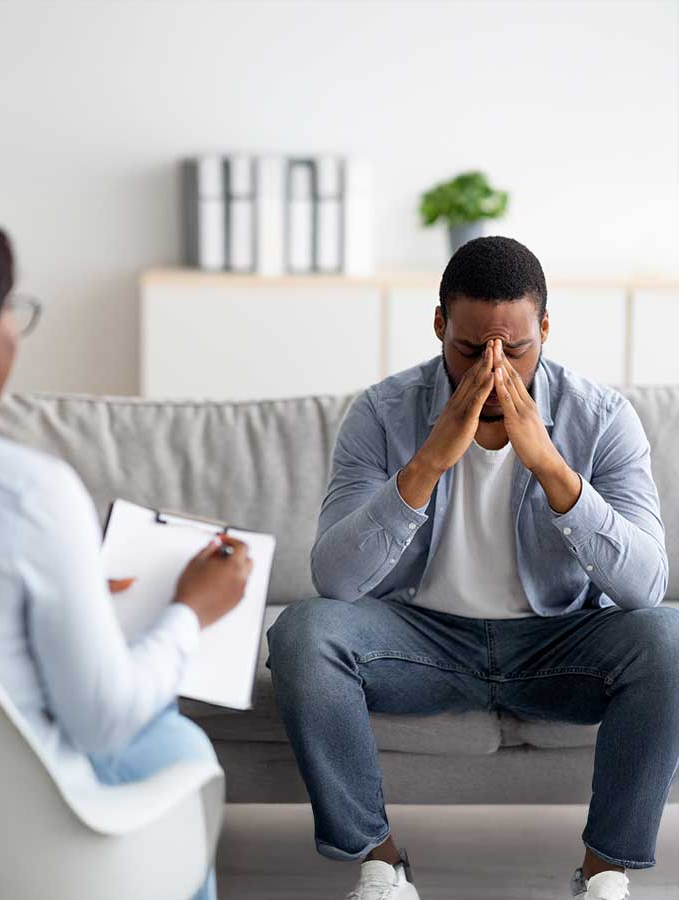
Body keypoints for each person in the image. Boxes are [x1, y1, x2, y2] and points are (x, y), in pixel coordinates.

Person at [266, 236, 678, 900]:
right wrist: (428, 461)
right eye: (469, 349)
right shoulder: (379, 414)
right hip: (421, 642)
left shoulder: (603, 419)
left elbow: (644, 587)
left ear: (545, 328)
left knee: (670, 638)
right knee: (302, 633)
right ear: (438, 326)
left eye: (516, 349)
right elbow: (335, 582)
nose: (493, 369)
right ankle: (383, 864)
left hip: (556, 644)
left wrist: (550, 465)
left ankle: (604, 875)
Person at [0, 197, 250, 900]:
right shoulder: (26, 495)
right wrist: (190, 614)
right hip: (25, 838)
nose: (17, 330)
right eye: (8, 308)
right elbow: (102, 718)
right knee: (173, 740)